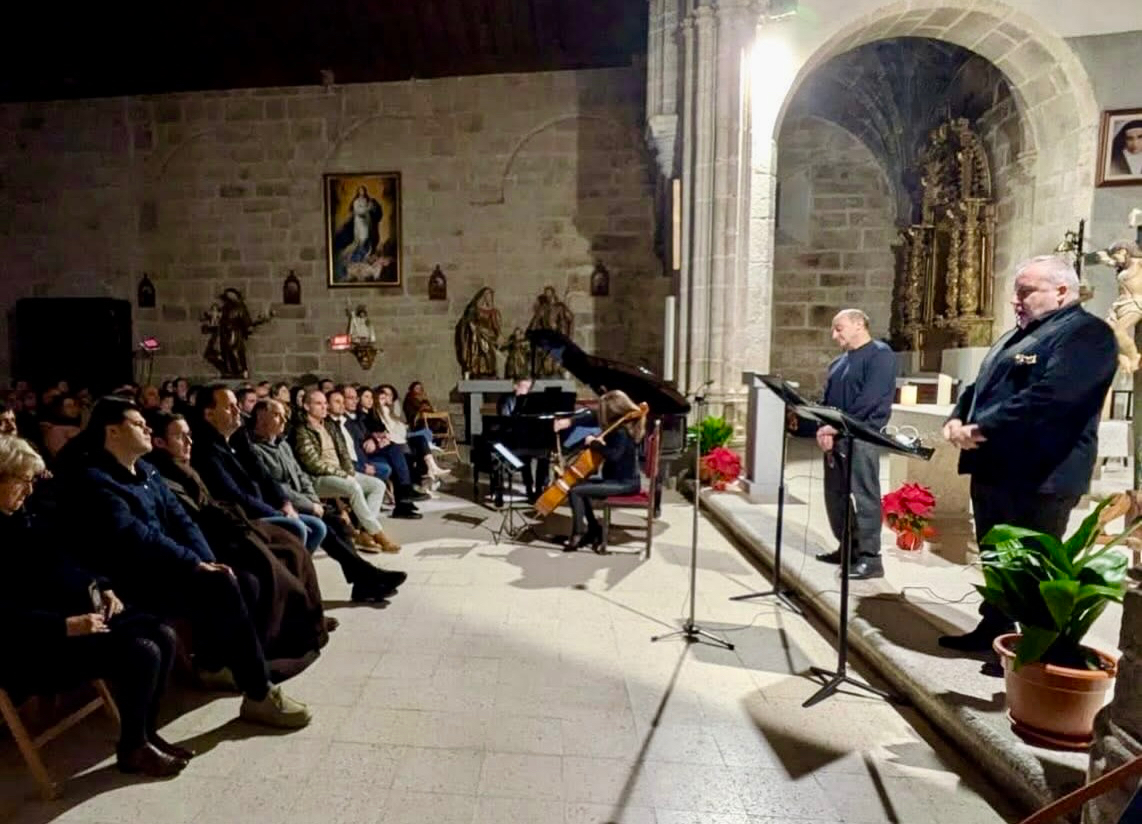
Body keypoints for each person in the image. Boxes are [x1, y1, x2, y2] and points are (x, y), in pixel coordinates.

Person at [63, 397, 312, 728]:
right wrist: (194, 565)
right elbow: (137, 536)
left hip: (164, 566)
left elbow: (182, 521)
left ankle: (216, 664)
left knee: (236, 578)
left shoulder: (147, 470)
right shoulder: (96, 479)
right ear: (113, 432)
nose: (147, 429)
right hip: (128, 578)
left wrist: (206, 560)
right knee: (222, 584)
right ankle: (258, 693)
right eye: (138, 424)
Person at [939, 255, 1117, 651]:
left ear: (1061, 291)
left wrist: (983, 427)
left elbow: (1052, 397)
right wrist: (957, 418)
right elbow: (977, 386)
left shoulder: (1087, 334)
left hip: (1042, 474)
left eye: (1025, 292)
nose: (1015, 302)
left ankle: (1036, 650)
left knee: (1033, 569)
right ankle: (994, 629)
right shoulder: (1018, 335)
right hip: (996, 469)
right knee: (999, 561)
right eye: (1015, 293)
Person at [0, 435, 190, 778]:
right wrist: (65, 626)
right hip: (27, 644)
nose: (29, 491)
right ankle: (133, 748)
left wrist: (102, 586)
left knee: (162, 632)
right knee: (142, 652)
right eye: (23, 481)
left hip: (67, 620)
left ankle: (144, 734)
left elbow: (63, 558)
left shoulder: (19, 516)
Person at [249, 399, 407, 602]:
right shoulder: (255, 450)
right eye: (277, 415)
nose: (284, 419)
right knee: (326, 527)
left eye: (283, 414)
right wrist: (310, 505)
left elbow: (301, 476)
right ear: (261, 418)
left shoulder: (282, 445)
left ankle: (363, 580)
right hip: (284, 506)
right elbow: (276, 487)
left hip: (305, 500)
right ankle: (366, 577)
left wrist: (315, 500)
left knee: (338, 523)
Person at [811, 309, 897, 580]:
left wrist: (833, 427)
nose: (833, 335)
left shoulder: (880, 355)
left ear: (860, 324)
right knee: (835, 496)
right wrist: (821, 428)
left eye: (839, 328)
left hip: (862, 437)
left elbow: (869, 400)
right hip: (835, 438)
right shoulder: (837, 364)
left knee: (864, 497)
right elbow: (827, 403)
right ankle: (848, 547)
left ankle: (871, 558)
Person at [563, 390, 645, 553]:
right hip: (618, 480)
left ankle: (578, 534)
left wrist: (595, 444)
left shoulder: (621, 431)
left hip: (624, 484)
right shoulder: (621, 427)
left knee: (575, 491)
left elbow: (614, 456)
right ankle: (593, 529)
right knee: (579, 485)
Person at [497, 377, 550, 503]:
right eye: (524, 387)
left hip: (531, 436)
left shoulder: (532, 401)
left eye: (528, 387)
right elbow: (505, 421)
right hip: (514, 438)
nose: (526, 390)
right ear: (515, 386)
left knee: (544, 455)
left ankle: (539, 488)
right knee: (525, 458)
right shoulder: (507, 399)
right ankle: (528, 488)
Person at [454, 288, 501, 378]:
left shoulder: (493, 311)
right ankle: (475, 372)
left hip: (487, 336)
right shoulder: (474, 309)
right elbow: (466, 321)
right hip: (475, 337)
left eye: (491, 296)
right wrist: (472, 327)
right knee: (477, 355)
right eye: (487, 295)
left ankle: (488, 372)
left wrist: (496, 335)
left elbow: (496, 327)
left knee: (489, 356)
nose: (489, 298)